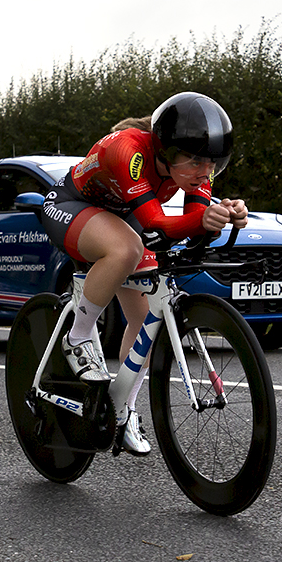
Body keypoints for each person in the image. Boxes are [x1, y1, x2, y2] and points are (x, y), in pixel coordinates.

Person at [40, 91, 248, 456]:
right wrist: (200, 219)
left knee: (146, 319)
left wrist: (221, 216)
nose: (204, 171)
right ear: (166, 150)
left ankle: (124, 409)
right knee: (127, 248)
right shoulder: (128, 150)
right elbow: (155, 223)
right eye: (196, 159)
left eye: (212, 162)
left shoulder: (199, 172)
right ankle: (78, 336)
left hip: (120, 213)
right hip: (72, 205)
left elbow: (191, 222)